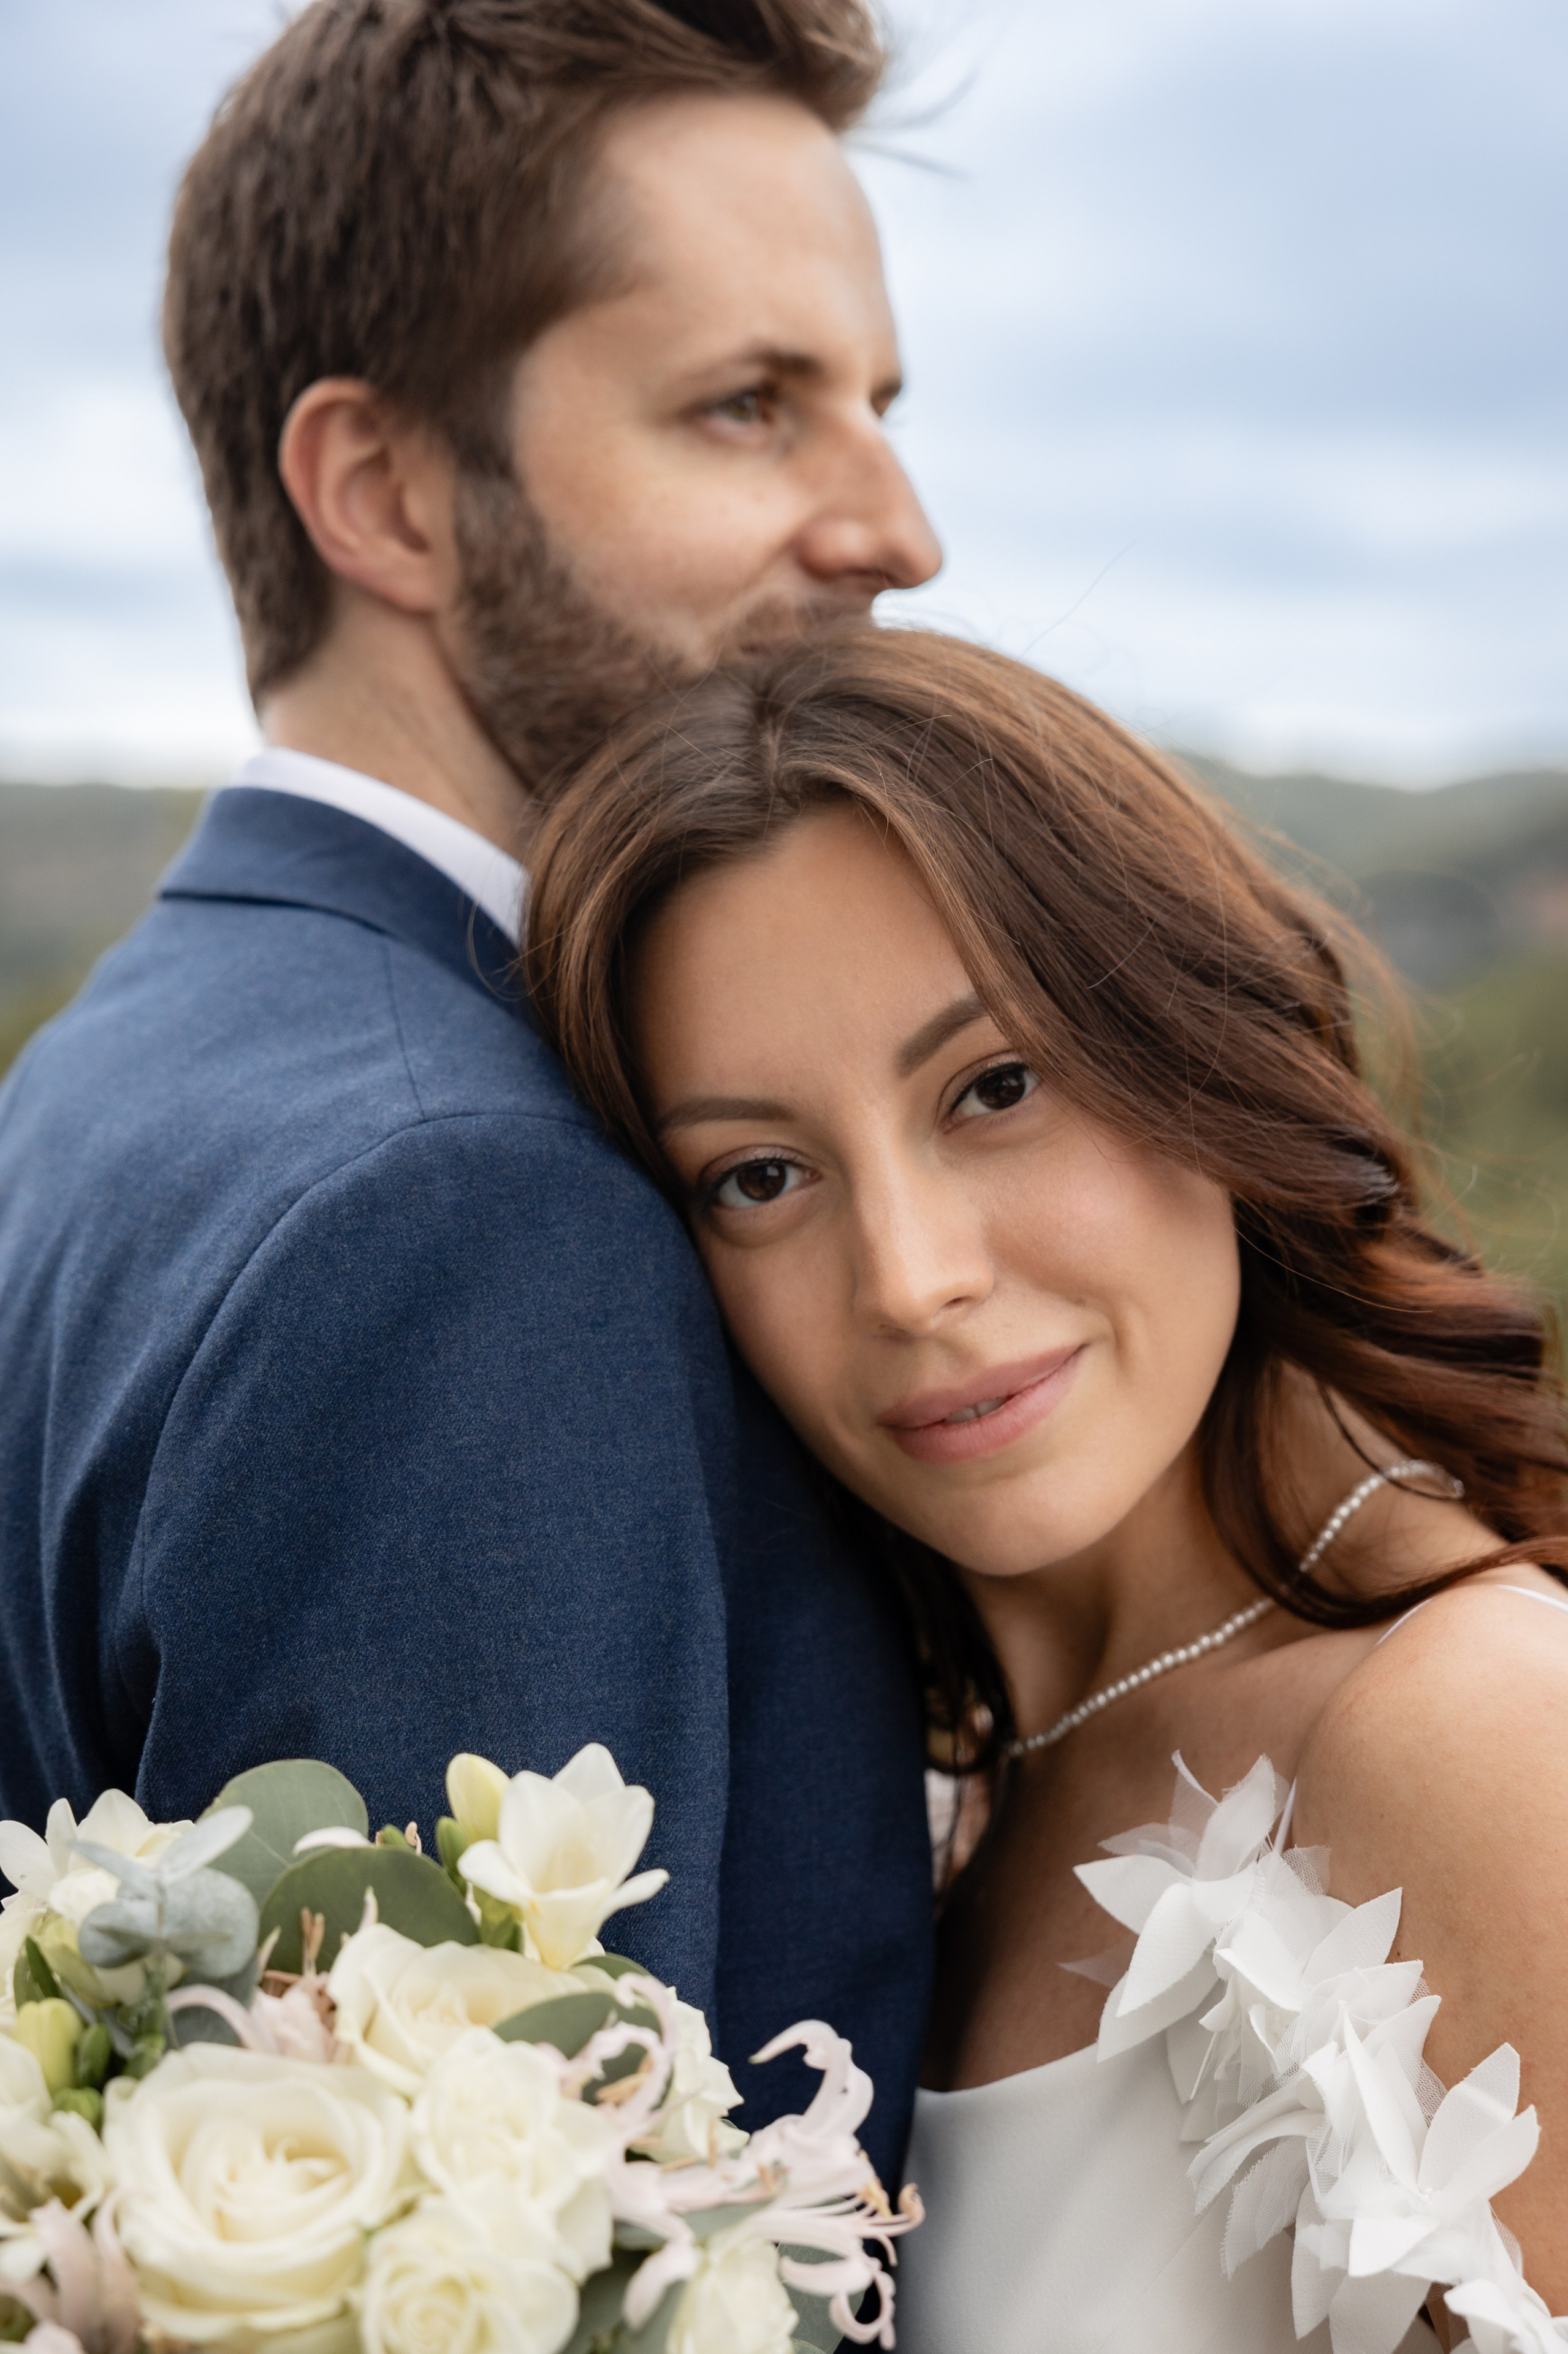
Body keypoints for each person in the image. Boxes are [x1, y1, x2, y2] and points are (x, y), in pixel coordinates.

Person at [0, 0, 942, 2174]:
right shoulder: (461, 1210)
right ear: (385, 493)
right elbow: (499, 2255)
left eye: (877, 406)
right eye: (749, 409)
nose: (897, 525)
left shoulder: (117, 1062)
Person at [523, 625, 1568, 2349]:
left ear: (1197, 1041)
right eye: (760, 1177)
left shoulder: (1473, 1731)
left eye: (996, 1087)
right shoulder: (920, 1800)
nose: (911, 1278)